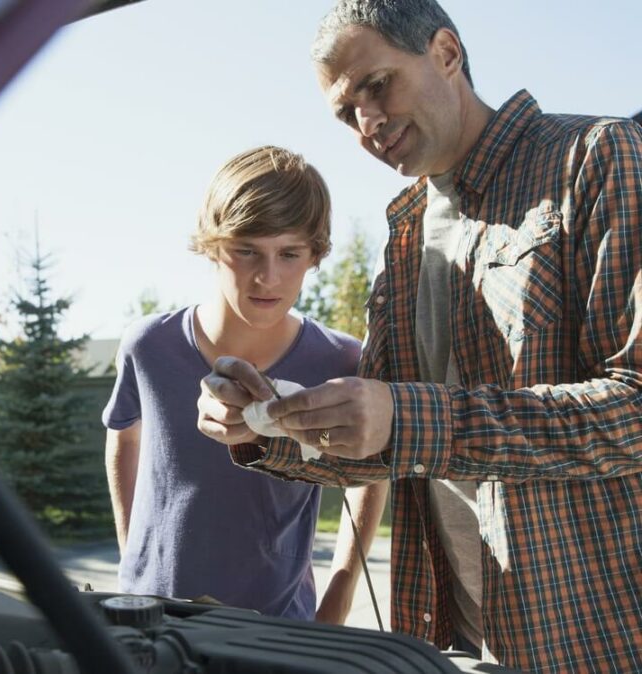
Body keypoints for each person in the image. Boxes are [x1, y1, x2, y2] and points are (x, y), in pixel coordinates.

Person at [196, 1, 642, 671]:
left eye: (377, 85)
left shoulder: (599, 158)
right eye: (347, 114)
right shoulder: (406, 233)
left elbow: (634, 411)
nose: (368, 121)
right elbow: (386, 448)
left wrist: (409, 416)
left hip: (589, 639)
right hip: (450, 638)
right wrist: (267, 425)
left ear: (446, 53)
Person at [103, 145, 388, 622]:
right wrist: (131, 555)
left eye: (289, 253)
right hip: (152, 614)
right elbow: (122, 437)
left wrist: (337, 598)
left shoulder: (342, 360)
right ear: (213, 246)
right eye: (246, 250)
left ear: (314, 256)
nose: (267, 276)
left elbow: (369, 475)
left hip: (280, 623)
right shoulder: (148, 344)